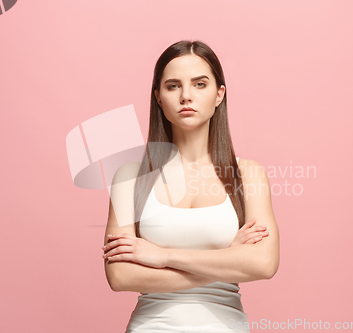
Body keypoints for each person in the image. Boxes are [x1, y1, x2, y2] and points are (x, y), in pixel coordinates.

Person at [102, 40, 280, 333]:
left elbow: (264, 263)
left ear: (219, 94)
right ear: (158, 97)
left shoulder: (248, 174)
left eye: (200, 84)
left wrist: (163, 256)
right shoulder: (129, 179)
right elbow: (120, 276)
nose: (186, 96)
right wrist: (228, 260)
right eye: (173, 86)